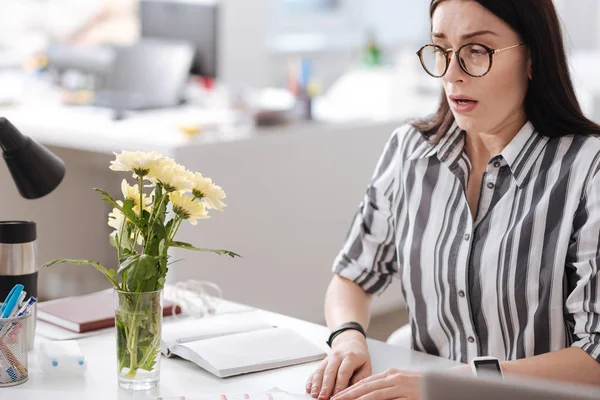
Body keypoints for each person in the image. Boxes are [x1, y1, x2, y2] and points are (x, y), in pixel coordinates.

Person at [306, 1, 600, 399]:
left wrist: (454, 385)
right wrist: (347, 338)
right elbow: (353, 275)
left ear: (533, 58)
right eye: (441, 50)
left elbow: (595, 355)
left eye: (476, 51)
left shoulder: (587, 169)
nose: (452, 74)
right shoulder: (410, 151)